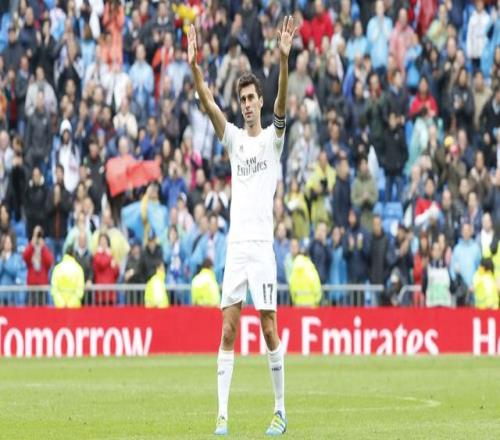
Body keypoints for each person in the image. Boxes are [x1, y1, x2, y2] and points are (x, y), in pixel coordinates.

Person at [188, 17, 295, 435]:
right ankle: (222, 416)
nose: (247, 103)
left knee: (268, 328)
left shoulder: (272, 140)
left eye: (252, 97)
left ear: (260, 101)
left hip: (262, 248)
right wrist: (195, 66)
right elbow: (206, 101)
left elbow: (282, 102)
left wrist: (283, 60)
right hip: (236, 248)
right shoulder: (233, 138)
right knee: (228, 330)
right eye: (243, 98)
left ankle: (280, 410)